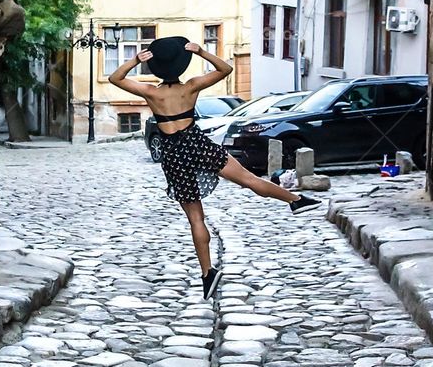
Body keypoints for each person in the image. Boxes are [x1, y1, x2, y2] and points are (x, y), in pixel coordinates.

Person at [108, 35, 319, 299]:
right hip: (197, 144)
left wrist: (134, 61)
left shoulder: (151, 92)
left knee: (196, 218)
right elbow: (225, 69)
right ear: (181, 64)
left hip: (174, 154)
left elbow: (115, 79)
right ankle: (294, 199)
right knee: (248, 179)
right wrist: (201, 52)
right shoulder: (192, 87)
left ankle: (208, 273)